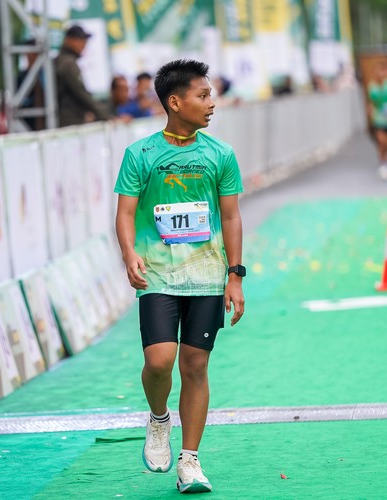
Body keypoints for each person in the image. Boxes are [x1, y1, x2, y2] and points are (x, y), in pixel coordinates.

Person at [114, 59, 245, 494]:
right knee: (158, 362)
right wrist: (129, 253)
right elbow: (125, 213)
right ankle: (159, 418)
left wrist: (235, 275)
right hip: (157, 274)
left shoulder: (220, 154)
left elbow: (231, 216)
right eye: (202, 95)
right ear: (175, 102)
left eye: (211, 95)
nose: (212, 103)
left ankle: (190, 460)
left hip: (207, 275)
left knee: (195, 365)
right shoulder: (140, 154)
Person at [55, 25, 110, 126]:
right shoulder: (67, 63)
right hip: (69, 121)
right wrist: (107, 116)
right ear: (68, 40)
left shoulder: (64, 61)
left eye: (85, 41)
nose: (84, 45)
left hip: (66, 119)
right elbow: (81, 94)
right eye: (80, 40)